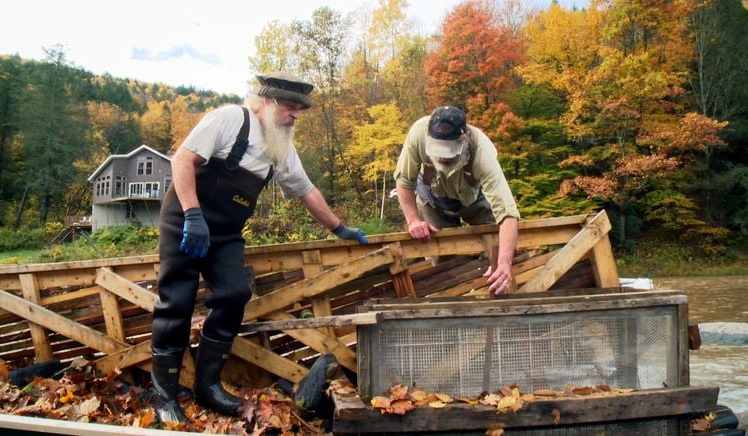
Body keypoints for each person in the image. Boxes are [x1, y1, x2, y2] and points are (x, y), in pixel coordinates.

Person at [152, 71, 368, 423]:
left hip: (224, 234)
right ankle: (164, 397)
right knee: (176, 302)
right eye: (289, 106)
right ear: (266, 101)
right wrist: (192, 215)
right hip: (186, 223)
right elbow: (182, 161)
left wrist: (338, 227)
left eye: (300, 108)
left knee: (235, 293)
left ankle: (208, 387)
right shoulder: (229, 120)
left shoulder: (279, 145)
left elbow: (305, 190)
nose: (295, 114)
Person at [393, 105, 519, 296]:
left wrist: (504, 264)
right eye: (438, 151)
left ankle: (490, 298)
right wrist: (413, 220)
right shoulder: (418, 133)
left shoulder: (482, 152)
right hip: (432, 201)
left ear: (464, 138)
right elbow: (404, 182)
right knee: (442, 263)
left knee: (495, 253)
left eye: (448, 152)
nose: (443, 157)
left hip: (474, 199)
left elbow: (508, 213)